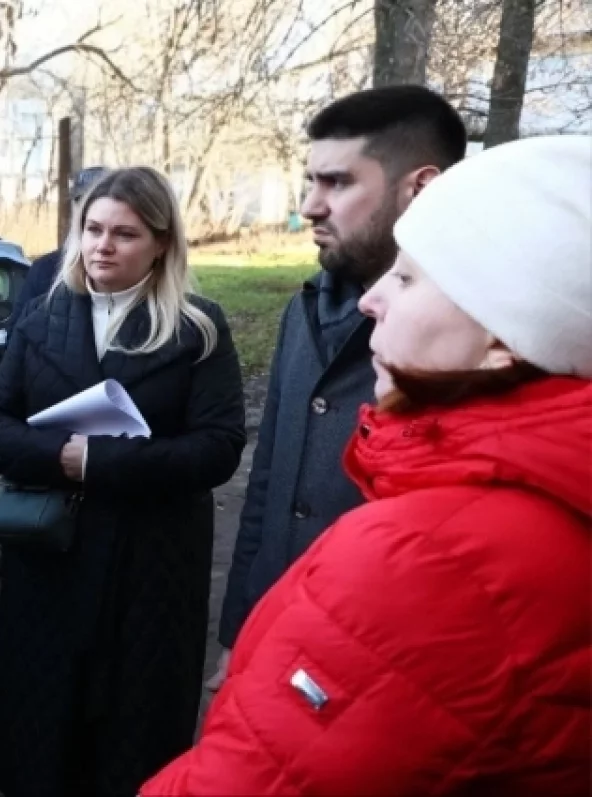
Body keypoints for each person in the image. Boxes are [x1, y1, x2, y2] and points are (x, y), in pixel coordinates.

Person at [143, 135, 591, 794]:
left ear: (505, 334)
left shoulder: (435, 559)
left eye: (408, 278)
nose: (371, 300)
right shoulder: (544, 502)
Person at [0, 166, 247, 796]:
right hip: (50, 560)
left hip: (151, 569)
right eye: (93, 229)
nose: (102, 246)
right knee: (42, 740)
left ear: (161, 243)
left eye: (124, 234)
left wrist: (100, 462)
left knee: (132, 745)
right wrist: (59, 457)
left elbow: (218, 447)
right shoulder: (43, 315)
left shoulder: (198, 327)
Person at [210, 85, 468, 687]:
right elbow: (268, 484)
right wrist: (239, 631)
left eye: (337, 183)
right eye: (311, 182)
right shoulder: (302, 310)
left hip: (384, 674)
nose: (309, 207)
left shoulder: (473, 338)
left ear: (420, 189)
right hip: (275, 638)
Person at [5, 165, 108, 333]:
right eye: (80, 201)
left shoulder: (135, 267)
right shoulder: (46, 268)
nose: (87, 209)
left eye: (96, 200)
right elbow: (17, 334)